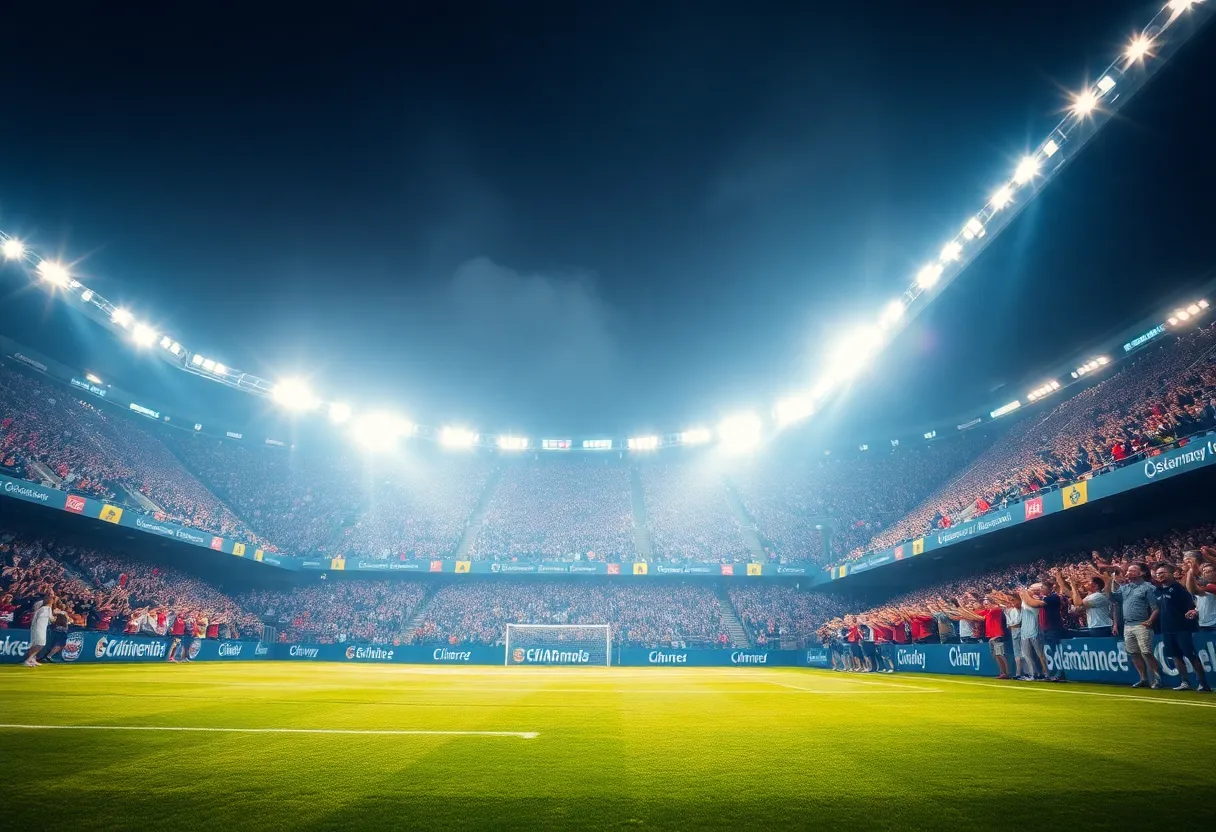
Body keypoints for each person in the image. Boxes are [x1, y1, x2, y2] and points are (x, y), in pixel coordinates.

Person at [1151, 564, 1210, 692]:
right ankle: (1185, 682)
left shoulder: (1180, 589)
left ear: (1171, 574)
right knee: (1175, 656)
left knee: (1190, 655)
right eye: (1158, 573)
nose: (1160, 575)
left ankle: (1203, 683)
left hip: (1182, 628)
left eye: (1163, 573)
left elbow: (1191, 607)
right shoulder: (1157, 591)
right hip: (1166, 629)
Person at [1109, 563, 1162, 689]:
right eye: (1128, 570)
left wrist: (1150, 621)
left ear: (1141, 573)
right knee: (1133, 653)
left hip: (1142, 624)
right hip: (1128, 625)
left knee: (1146, 652)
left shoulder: (1148, 587)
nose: (1129, 572)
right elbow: (1111, 596)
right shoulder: (1124, 588)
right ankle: (1143, 678)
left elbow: (1155, 608)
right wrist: (1108, 579)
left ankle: (1157, 678)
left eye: (1132, 570)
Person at [23, 591, 54, 668]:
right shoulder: (45, 609)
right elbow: (47, 619)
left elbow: (50, 619)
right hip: (38, 629)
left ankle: (32, 659)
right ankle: (27, 660)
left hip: (41, 628)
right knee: (39, 645)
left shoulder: (46, 609)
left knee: (37, 645)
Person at [1185, 563, 1216, 632]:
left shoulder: (1211, 587)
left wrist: (1190, 572)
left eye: (1208, 571)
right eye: (1203, 571)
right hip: (1203, 624)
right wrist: (1196, 611)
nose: (1205, 573)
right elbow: (1205, 603)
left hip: (1213, 625)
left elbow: (1193, 590)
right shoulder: (1206, 586)